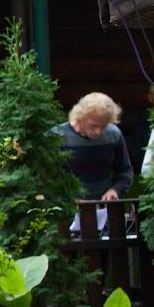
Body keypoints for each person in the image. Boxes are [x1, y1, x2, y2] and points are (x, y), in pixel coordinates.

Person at [53, 94, 133, 233]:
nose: (98, 132)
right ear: (80, 116)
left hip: (105, 213)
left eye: (104, 126)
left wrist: (115, 190)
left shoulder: (113, 134)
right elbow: (47, 179)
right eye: (94, 126)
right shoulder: (57, 136)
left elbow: (125, 171)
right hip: (65, 214)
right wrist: (69, 199)